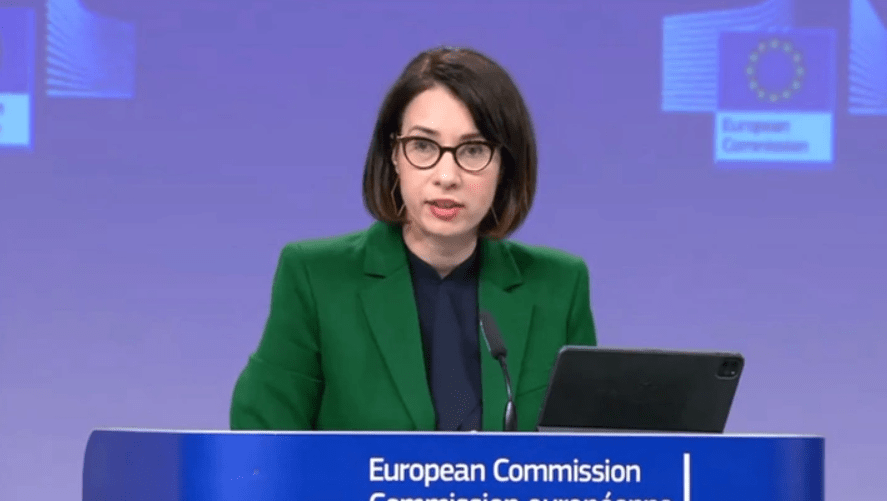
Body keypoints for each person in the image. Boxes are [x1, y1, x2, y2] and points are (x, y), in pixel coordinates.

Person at [230, 46, 597, 432]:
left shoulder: (560, 286)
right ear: (394, 155)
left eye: (473, 150)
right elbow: (261, 436)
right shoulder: (315, 278)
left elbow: (594, 449)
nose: (447, 176)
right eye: (423, 146)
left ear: (504, 164)